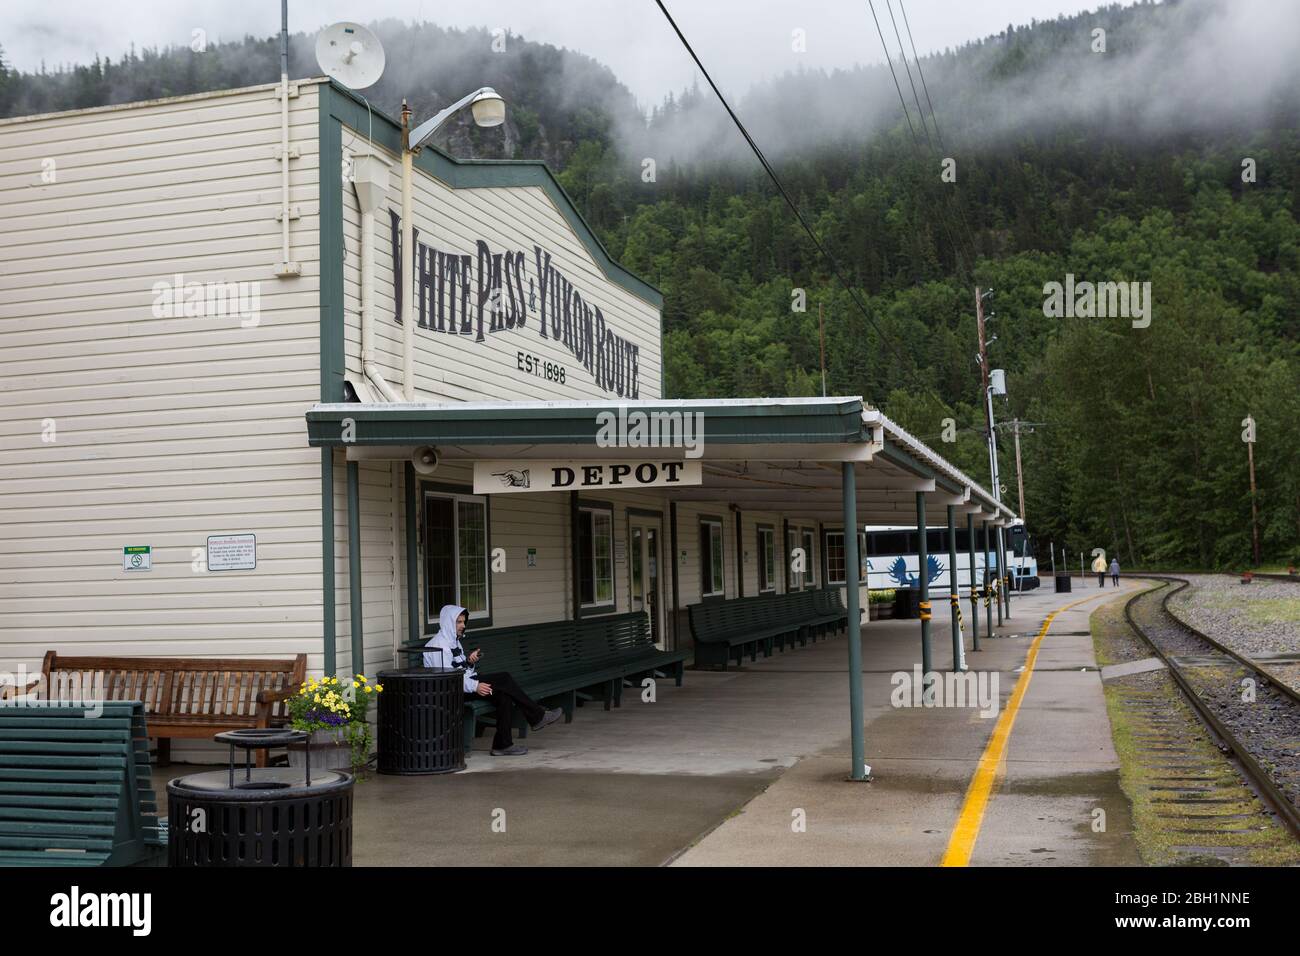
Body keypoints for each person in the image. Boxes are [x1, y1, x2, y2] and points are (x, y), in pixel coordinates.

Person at [423, 604, 562, 756]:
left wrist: (469, 662)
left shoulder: (454, 641)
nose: (463, 625)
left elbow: (460, 670)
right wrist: (475, 686)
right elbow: (447, 678)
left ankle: (503, 745)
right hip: (449, 691)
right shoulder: (438, 646)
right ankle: (538, 716)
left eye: (463, 622)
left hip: (462, 686)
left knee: (504, 695)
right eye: (459, 622)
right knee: (504, 678)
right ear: (448, 622)